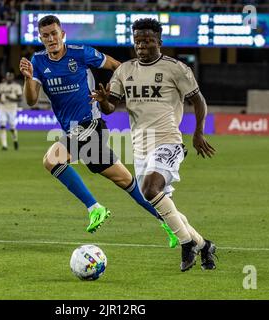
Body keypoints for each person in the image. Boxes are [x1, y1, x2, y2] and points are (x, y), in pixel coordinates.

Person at [19, 14, 178, 246]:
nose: (51, 39)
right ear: (41, 38)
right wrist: (27, 78)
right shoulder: (38, 62)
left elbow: (117, 67)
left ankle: (95, 208)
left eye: (54, 34)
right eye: (46, 36)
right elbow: (31, 100)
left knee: (51, 159)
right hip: (75, 132)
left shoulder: (80, 52)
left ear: (62, 34)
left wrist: (120, 93)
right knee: (127, 181)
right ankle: (172, 224)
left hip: (90, 124)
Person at [90, 18, 217, 272]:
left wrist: (198, 132)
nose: (142, 45)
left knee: (150, 188)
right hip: (140, 146)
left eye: (147, 40)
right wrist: (103, 101)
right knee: (164, 209)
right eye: (138, 41)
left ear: (159, 41)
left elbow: (198, 100)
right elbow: (110, 106)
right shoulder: (124, 71)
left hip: (168, 141)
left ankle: (186, 244)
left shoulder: (176, 68)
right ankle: (204, 245)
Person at [0, 72, 22, 150]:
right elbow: (0, 96)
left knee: (12, 127)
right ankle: (4, 145)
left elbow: (20, 99)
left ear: (13, 77)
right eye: (8, 76)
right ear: (6, 77)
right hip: (3, 107)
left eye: (10, 76)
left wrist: (11, 98)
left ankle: (15, 140)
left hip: (12, 108)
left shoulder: (17, 86)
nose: (9, 78)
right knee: (2, 126)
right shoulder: (1, 85)